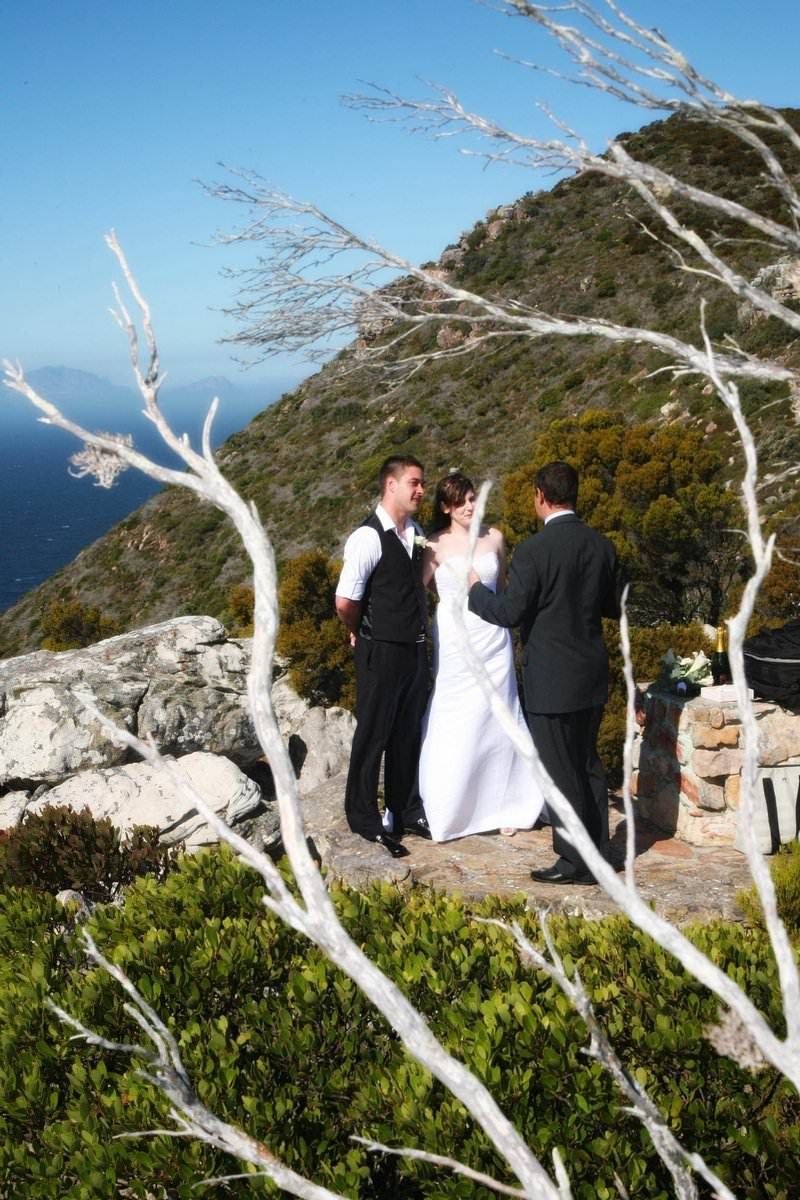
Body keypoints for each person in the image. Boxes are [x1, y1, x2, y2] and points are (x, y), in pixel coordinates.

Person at [468, 461, 624, 885]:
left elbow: (509, 612)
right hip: (591, 671)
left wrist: (475, 592)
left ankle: (574, 862)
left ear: (539, 495)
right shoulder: (601, 545)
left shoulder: (534, 552)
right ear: (575, 494)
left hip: (551, 679)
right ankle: (599, 852)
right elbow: (614, 606)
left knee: (559, 771)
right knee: (589, 763)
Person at [417, 473, 543, 841]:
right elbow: (417, 592)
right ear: (445, 507)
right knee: (457, 713)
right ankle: (452, 806)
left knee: (499, 712)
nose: (470, 506)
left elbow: (502, 588)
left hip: (493, 637)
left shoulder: (495, 537)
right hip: (456, 643)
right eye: (461, 501)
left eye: (472, 498)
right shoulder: (434, 544)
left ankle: (509, 804)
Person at [335, 455, 433, 858]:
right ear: (390, 486)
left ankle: (404, 809)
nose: (421, 490)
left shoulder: (416, 533)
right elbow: (345, 601)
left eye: (422, 483)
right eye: (414, 482)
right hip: (381, 650)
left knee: (407, 732)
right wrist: (361, 630)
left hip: (414, 649)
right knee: (374, 732)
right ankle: (364, 818)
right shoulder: (367, 538)